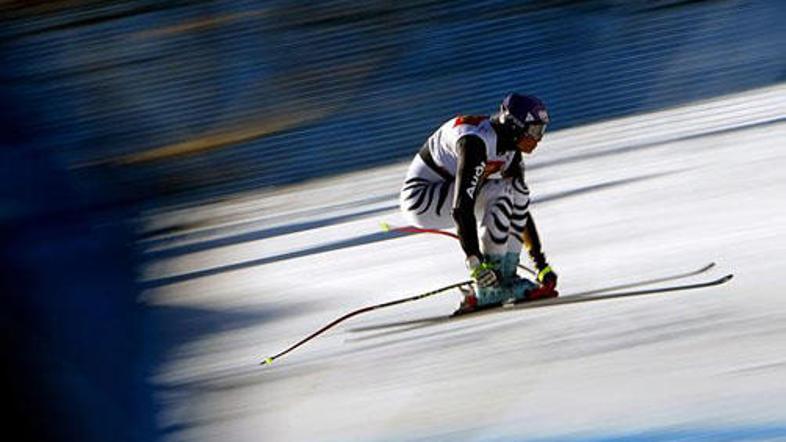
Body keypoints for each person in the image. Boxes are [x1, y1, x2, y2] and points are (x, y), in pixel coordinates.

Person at [399, 93, 558, 313]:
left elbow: (521, 207)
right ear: (514, 126)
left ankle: (506, 276)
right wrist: (475, 264)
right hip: (420, 198)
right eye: (534, 131)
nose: (538, 138)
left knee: (517, 190)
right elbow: (462, 207)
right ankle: (488, 286)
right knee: (499, 191)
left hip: (447, 193)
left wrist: (540, 264)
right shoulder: (475, 143)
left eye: (541, 131)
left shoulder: (510, 148)